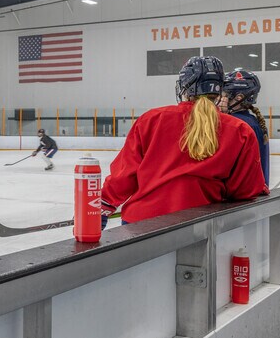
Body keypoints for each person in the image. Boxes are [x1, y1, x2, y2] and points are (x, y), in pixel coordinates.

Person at [100, 56, 268, 228]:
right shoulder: (240, 130)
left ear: (184, 88)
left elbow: (123, 176)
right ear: (219, 92)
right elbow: (244, 190)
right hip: (198, 227)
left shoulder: (151, 119)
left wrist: (103, 205)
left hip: (140, 223)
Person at [219, 69, 270, 185]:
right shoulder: (253, 120)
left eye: (224, 96)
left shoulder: (236, 124)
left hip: (242, 195)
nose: (220, 100)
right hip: (256, 190)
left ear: (239, 98)